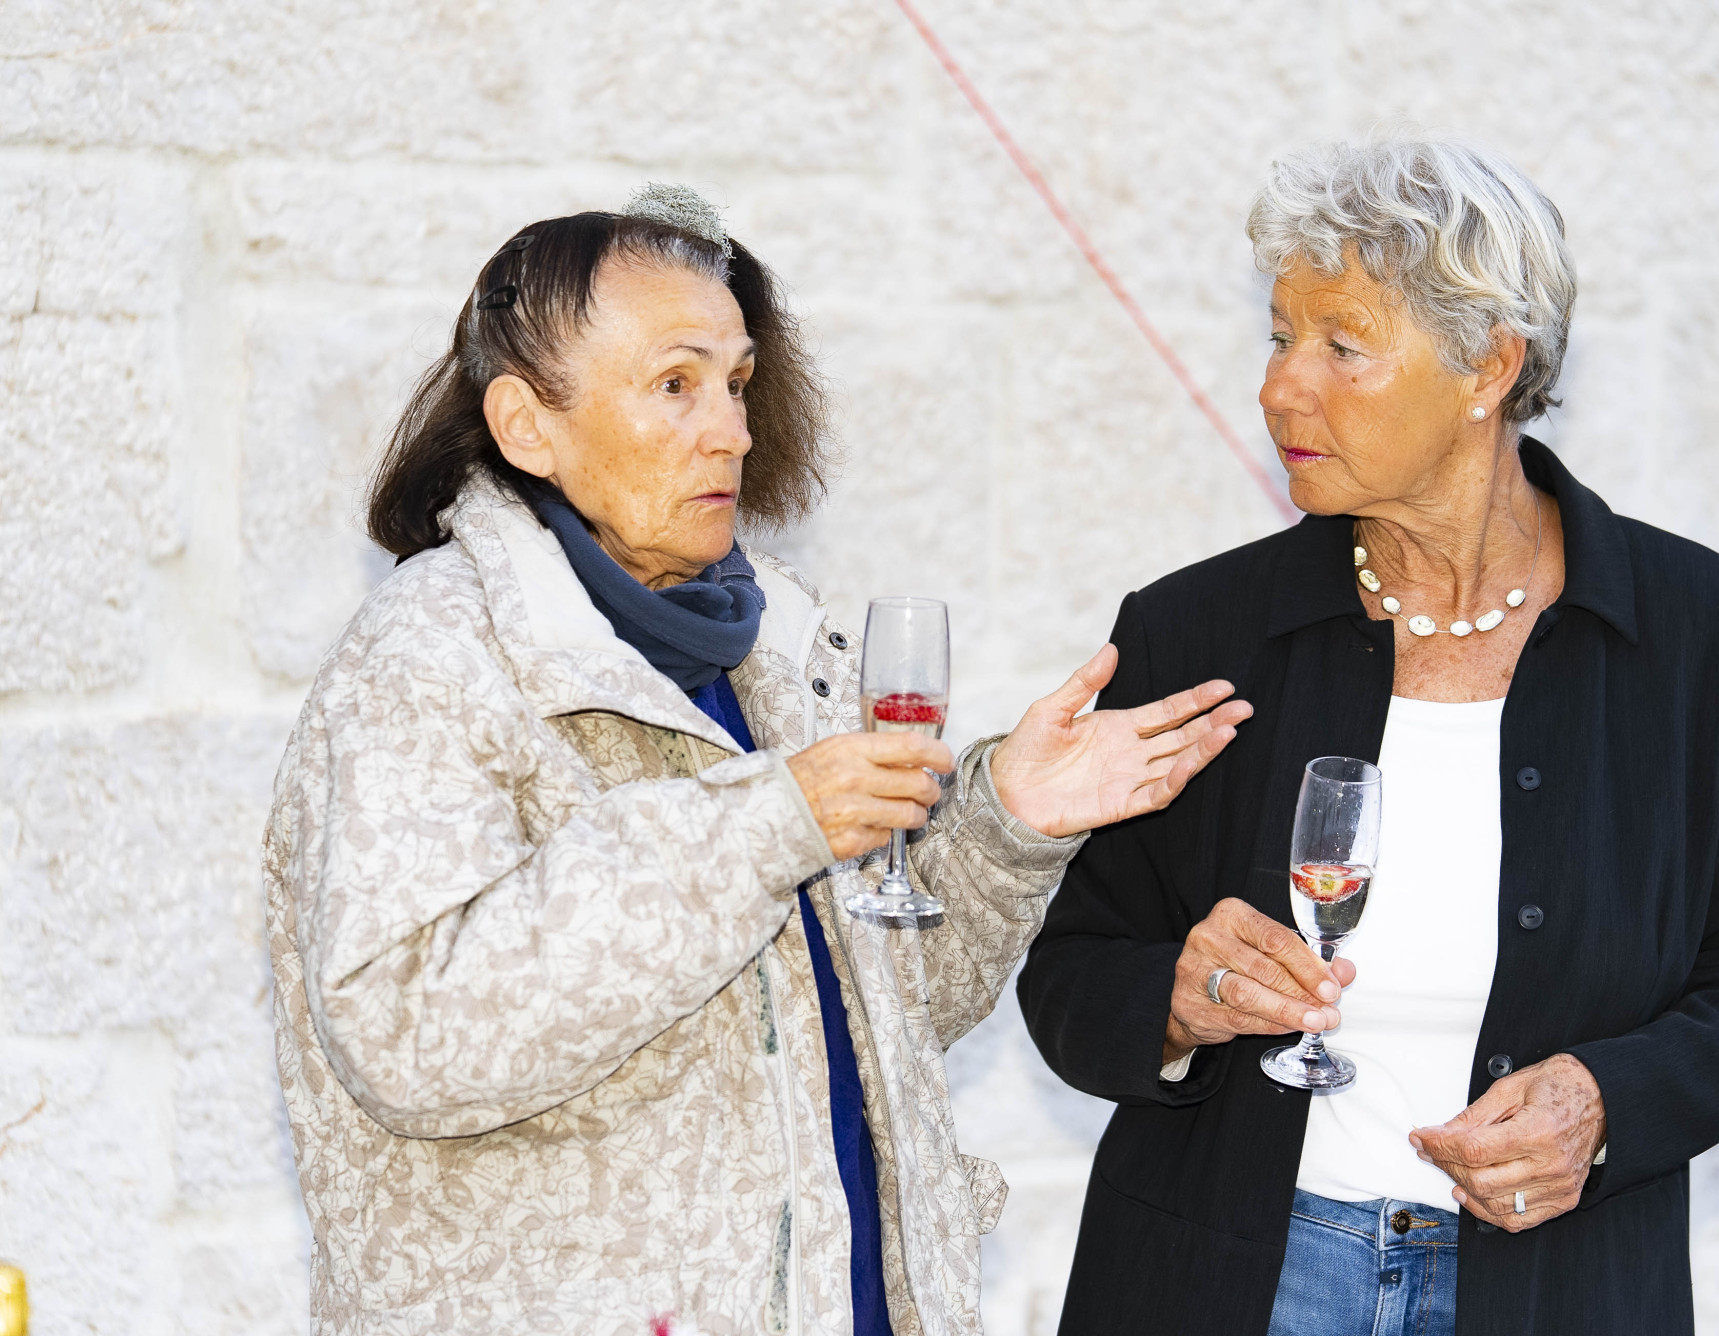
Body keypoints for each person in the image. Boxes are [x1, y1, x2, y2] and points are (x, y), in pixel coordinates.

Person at [261, 184, 1252, 1336]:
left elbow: (894, 1011)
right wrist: (762, 826)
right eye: (674, 385)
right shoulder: (429, 656)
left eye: (736, 382)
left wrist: (1004, 824)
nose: (730, 429)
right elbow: (412, 1035)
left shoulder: (780, 649)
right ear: (527, 425)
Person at [1017, 133, 1719, 1336]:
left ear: (1488, 366)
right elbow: (1069, 972)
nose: (1279, 387)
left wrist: (1607, 1101)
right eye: (1278, 336)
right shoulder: (1194, 630)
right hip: (1221, 1283)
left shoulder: (1703, 635)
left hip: (1556, 1297)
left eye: (1341, 346)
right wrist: (1178, 1000)